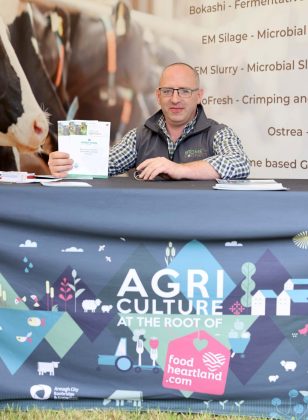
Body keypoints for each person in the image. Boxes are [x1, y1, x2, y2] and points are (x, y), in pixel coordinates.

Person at [48, 62, 250, 181]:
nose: (175, 99)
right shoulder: (139, 137)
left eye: (185, 91)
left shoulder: (218, 133)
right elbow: (101, 164)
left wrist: (178, 169)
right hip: (147, 233)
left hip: (199, 234)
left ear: (199, 96)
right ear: (158, 96)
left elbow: (239, 164)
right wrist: (66, 164)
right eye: (168, 91)